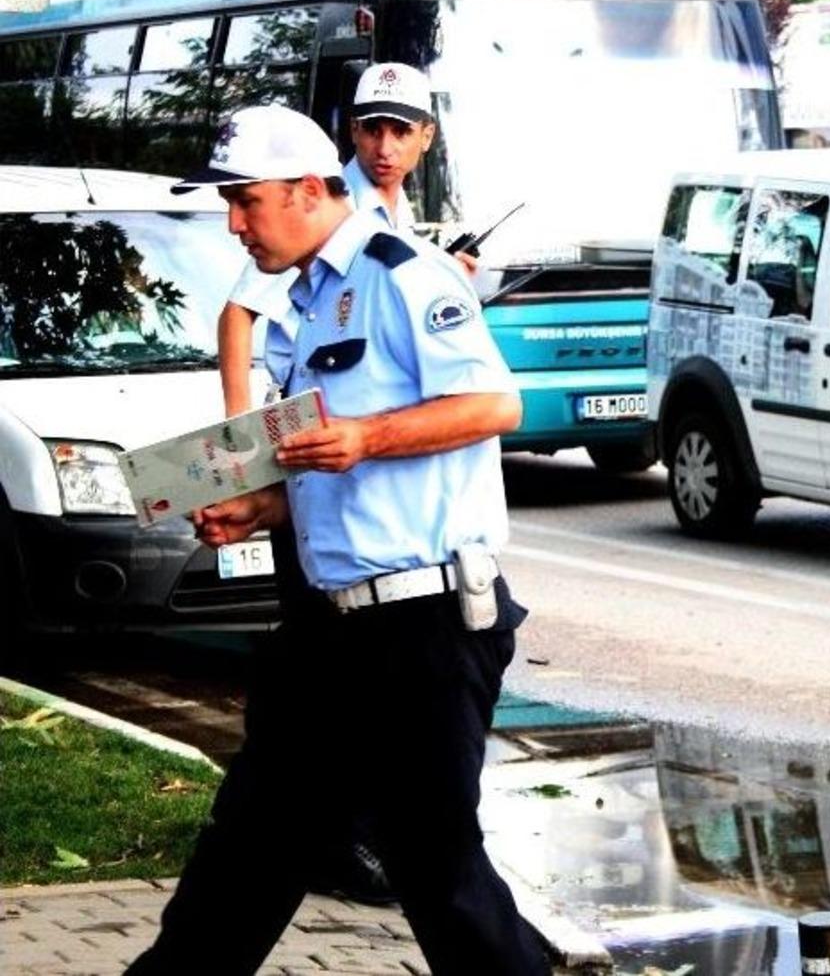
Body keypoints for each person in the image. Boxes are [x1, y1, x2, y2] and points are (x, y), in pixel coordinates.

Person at [125, 104, 550, 976]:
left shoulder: (405, 274)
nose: (235, 224)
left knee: (435, 864)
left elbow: (495, 405)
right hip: (330, 626)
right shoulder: (307, 299)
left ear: (309, 190)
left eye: (246, 201)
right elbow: (332, 468)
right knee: (252, 843)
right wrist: (263, 508)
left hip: (422, 623)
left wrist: (366, 436)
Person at [218, 61, 476, 417]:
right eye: (372, 129)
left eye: (401, 131)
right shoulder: (326, 206)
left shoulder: (400, 210)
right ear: (354, 130)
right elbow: (237, 312)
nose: (385, 148)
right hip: (307, 403)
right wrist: (238, 426)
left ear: (426, 136)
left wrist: (440, 278)